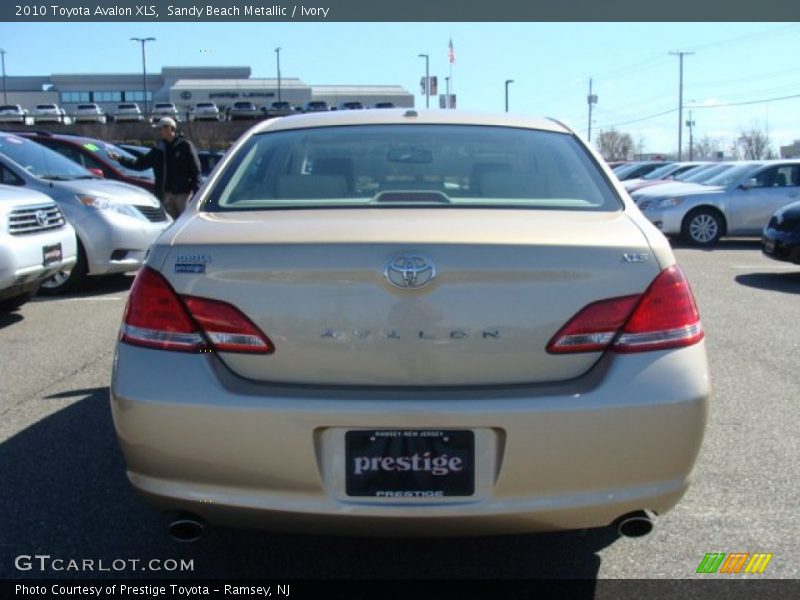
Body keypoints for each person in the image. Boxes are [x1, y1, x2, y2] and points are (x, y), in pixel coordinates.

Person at [109, 117, 201, 219]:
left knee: (185, 221)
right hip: (166, 195)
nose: (159, 132)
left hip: (183, 195)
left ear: (169, 129)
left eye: (160, 129)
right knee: (169, 223)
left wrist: (197, 191)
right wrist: (120, 159)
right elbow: (141, 163)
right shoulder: (159, 149)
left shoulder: (185, 146)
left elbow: (196, 170)